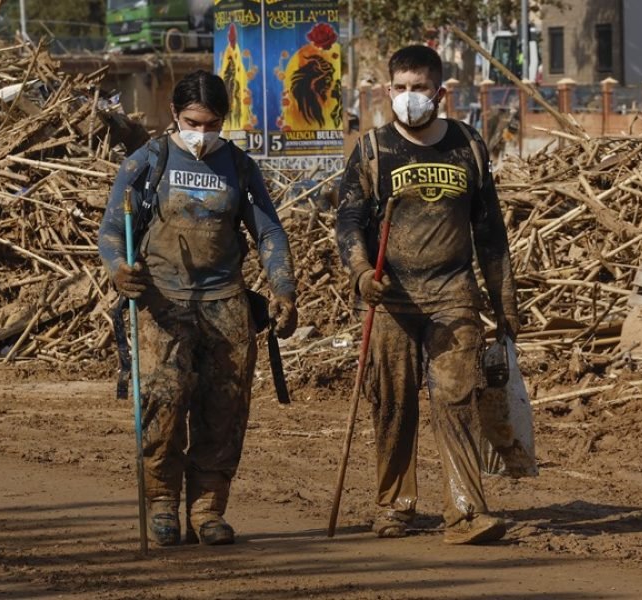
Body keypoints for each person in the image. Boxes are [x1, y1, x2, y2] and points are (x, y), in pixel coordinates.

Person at [98, 70, 298, 547]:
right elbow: (110, 230)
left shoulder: (240, 167)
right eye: (193, 122)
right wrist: (118, 269)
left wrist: (283, 288)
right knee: (163, 405)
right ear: (174, 114)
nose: (203, 134)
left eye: (212, 124)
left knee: (224, 411)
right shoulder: (146, 162)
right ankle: (162, 503)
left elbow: (268, 232)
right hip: (161, 305)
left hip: (225, 304)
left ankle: (209, 509)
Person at [335, 45, 520, 545]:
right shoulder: (373, 149)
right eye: (401, 88)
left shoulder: (468, 146)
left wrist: (505, 303)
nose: (409, 98)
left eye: (420, 88)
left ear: (439, 92)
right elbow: (349, 219)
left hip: (453, 295)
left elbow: (490, 232)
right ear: (387, 91)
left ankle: (465, 512)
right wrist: (359, 275)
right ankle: (394, 505)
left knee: (456, 401)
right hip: (390, 297)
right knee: (393, 405)